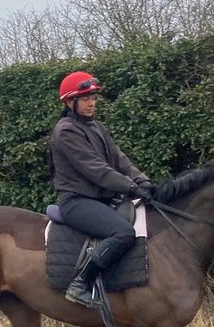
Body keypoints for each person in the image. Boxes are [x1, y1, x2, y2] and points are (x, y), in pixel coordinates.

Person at [50, 71, 155, 308]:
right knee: (123, 233)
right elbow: (96, 169)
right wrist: (131, 188)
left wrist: (142, 180)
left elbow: (119, 159)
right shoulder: (65, 131)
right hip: (77, 201)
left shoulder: (97, 127)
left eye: (94, 98)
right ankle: (79, 284)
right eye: (86, 98)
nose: (92, 103)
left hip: (100, 200)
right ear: (70, 102)